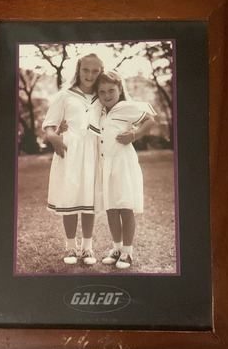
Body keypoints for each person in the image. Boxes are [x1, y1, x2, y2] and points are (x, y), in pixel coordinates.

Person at [89, 70, 156, 269]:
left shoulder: (126, 107)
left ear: (119, 89)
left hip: (123, 165)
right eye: (102, 92)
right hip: (105, 166)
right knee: (111, 209)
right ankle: (116, 248)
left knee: (125, 208)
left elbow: (150, 119)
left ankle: (127, 252)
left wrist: (134, 135)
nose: (107, 95)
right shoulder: (98, 111)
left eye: (111, 90)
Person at [42, 53, 103, 265]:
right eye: (86, 70)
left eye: (96, 71)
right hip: (69, 150)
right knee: (70, 197)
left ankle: (87, 248)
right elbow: (50, 123)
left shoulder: (102, 95)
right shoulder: (65, 95)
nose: (90, 75)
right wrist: (53, 138)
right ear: (78, 70)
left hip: (94, 152)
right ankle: (70, 247)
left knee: (89, 200)